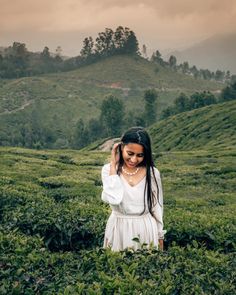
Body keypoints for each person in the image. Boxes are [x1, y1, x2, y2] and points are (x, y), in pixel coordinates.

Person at [101, 126, 166, 251]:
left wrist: (160, 236)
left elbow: (157, 207)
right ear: (121, 148)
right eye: (130, 153)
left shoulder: (152, 173)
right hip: (119, 228)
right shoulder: (108, 171)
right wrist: (113, 165)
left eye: (140, 155)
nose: (134, 159)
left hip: (145, 228)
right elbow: (113, 198)